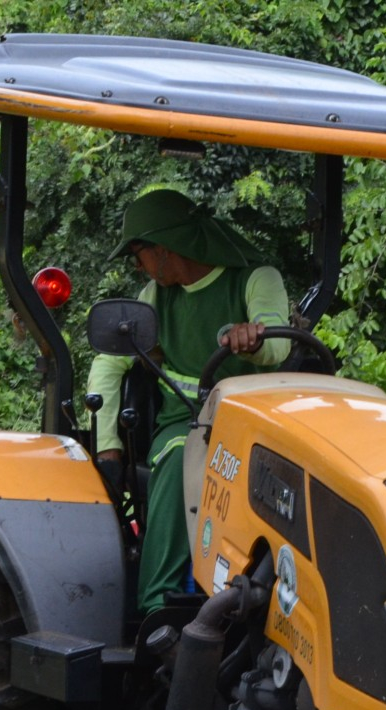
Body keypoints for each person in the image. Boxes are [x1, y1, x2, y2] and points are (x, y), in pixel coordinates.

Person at [87, 188, 291, 613]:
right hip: (188, 422)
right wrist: (107, 445)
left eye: (137, 254)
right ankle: (157, 605)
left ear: (163, 249)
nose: (137, 265)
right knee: (181, 457)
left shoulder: (256, 278)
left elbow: (277, 346)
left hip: (259, 426)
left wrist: (252, 340)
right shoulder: (154, 298)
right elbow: (110, 365)